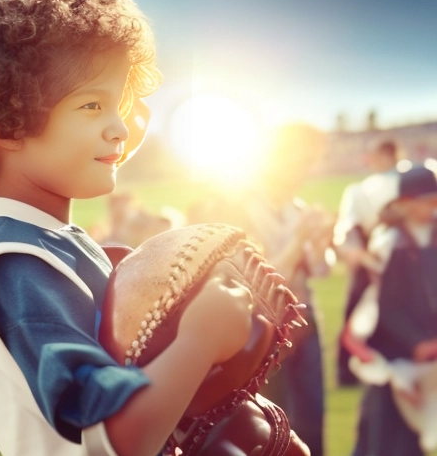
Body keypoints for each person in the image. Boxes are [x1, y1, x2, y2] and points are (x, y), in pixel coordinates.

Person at [0, 0, 257, 456]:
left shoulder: (54, 244)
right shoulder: (16, 263)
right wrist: (199, 341)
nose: (120, 127)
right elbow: (113, 437)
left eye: (118, 105)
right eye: (92, 105)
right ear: (7, 126)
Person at [187, 122, 334, 456]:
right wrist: (299, 239)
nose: (305, 169)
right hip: (259, 330)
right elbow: (256, 281)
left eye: (311, 161)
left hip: (305, 323)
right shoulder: (238, 208)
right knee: (267, 422)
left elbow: (322, 270)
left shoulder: (298, 208)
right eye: (300, 159)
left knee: (312, 417)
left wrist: (320, 241)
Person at [343, 162, 437, 456]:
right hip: (394, 359)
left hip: (426, 360)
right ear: (407, 203)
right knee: (385, 441)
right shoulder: (390, 243)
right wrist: (415, 342)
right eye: (429, 201)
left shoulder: (431, 237)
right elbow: (385, 307)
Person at [333, 137, 400, 386]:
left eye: (371, 155)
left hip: (376, 258)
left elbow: (346, 229)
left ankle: (349, 372)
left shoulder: (361, 190)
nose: (367, 160)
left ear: (385, 154)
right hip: (372, 259)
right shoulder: (411, 179)